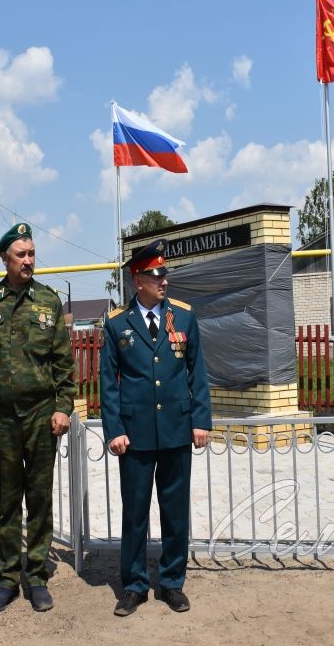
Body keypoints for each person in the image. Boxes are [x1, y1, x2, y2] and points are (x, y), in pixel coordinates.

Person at [0, 222, 75, 614]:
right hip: (2, 417)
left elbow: (63, 361)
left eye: (31, 254)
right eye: (21, 255)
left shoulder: (48, 301)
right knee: (9, 499)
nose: (28, 261)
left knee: (39, 498)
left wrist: (64, 406)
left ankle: (38, 575)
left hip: (42, 415)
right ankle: (8, 577)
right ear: (5, 259)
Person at [99, 239, 212, 617]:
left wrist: (200, 421)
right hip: (134, 434)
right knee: (134, 513)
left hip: (178, 428)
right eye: (155, 274)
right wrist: (114, 429)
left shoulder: (184, 317)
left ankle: (172, 582)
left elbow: (198, 373)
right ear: (137, 280)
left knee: (175, 511)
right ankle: (133, 585)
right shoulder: (117, 323)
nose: (164, 280)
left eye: (165, 273)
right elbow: (108, 382)